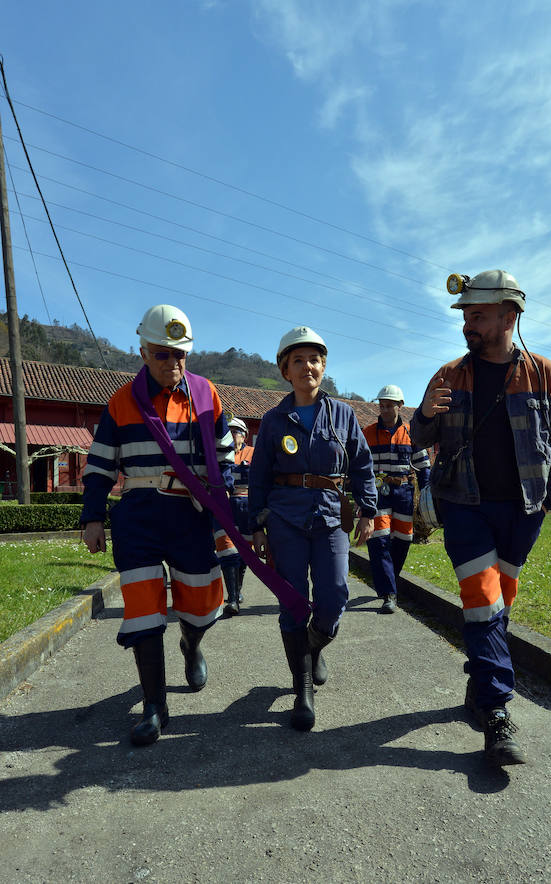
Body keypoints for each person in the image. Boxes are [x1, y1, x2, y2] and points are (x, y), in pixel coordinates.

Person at [410, 270, 551, 766]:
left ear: (510, 315)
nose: (468, 325)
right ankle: (498, 713)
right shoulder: (447, 375)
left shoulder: (545, 374)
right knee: (482, 602)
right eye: (465, 316)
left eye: (478, 316)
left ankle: (479, 679)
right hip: (464, 505)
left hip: (525, 509)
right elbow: (418, 439)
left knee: (498, 604)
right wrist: (422, 415)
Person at [81, 304, 235, 746]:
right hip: (138, 517)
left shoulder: (206, 395)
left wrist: (234, 514)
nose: (174, 363)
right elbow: (99, 466)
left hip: (189, 515)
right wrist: (92, 517)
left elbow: (225, 460)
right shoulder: (121, 401)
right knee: (145, 609)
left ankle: (193, 643)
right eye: (164, 354)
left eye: (181, 354)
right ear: (144, 350)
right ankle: (155, 706)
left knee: (203, 603)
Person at [248, 326, 377, 732]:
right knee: (291, 601)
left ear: (324, 367)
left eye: (315, 359)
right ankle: (301, 686)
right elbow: (259, 476)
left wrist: (368, 510)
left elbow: (361, 465)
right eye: (299, 360)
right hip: (285, 518)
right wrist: (257, 525)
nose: (308, 366)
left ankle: (315, 643)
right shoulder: (272, 421)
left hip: (331, 517)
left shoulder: (343, 414)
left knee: (335, 595)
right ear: (285, 370)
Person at [363, 385, 431, 613]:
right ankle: (389, 594)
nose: (383, 409)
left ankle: (388, 581)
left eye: (388, 405)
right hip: (378, 492)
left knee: (403, 540)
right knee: (379, 540)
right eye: (381, 405)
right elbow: (360, 466)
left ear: (399, 406)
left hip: (403, 492)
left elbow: (423, 467)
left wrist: (427, 498)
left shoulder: (412, 433)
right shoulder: (368, 433)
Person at [216, 416, 254, 616]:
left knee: (244, 554)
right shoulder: (220, 456)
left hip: (248, 509)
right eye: (228, 431)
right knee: (227, 552)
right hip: (225, 507)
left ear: (245, 435)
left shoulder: (253, 454)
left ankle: (237, 590)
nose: (232, 435)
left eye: (236, 431)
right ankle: (231, 598)